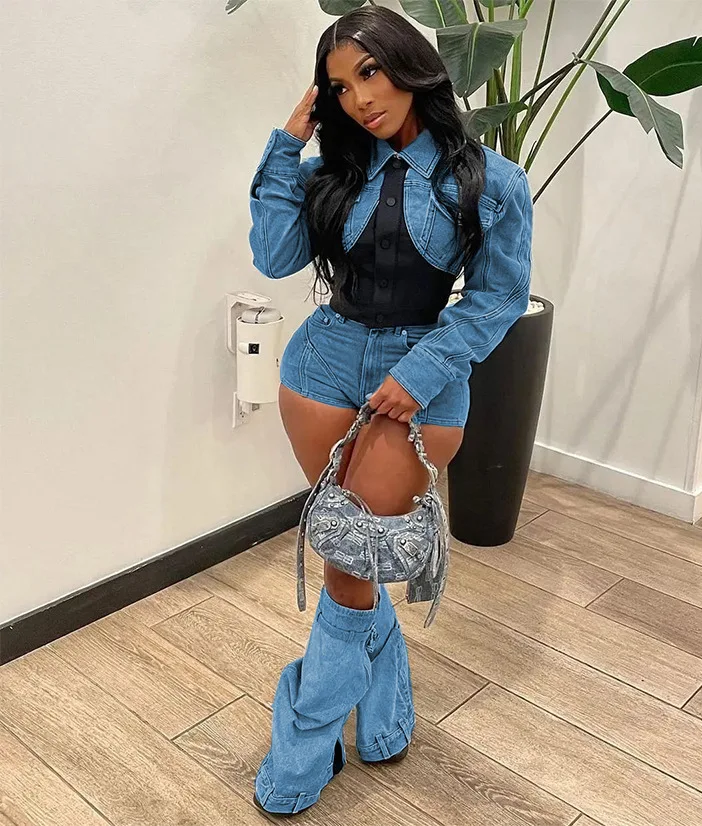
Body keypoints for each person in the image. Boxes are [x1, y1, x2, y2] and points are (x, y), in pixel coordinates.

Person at [247, 5, 533, 817]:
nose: (360, 98)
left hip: (418, 381)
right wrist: (285, 145)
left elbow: (499, 297)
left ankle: (302, 745)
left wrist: (423, 370)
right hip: (321, 367)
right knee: (356, 553)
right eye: (340, 86)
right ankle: (385, 715)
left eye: (369, 72)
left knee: (351, 561)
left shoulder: (491, 179)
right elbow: (274, 256)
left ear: (409, 65)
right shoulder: (331, 172)